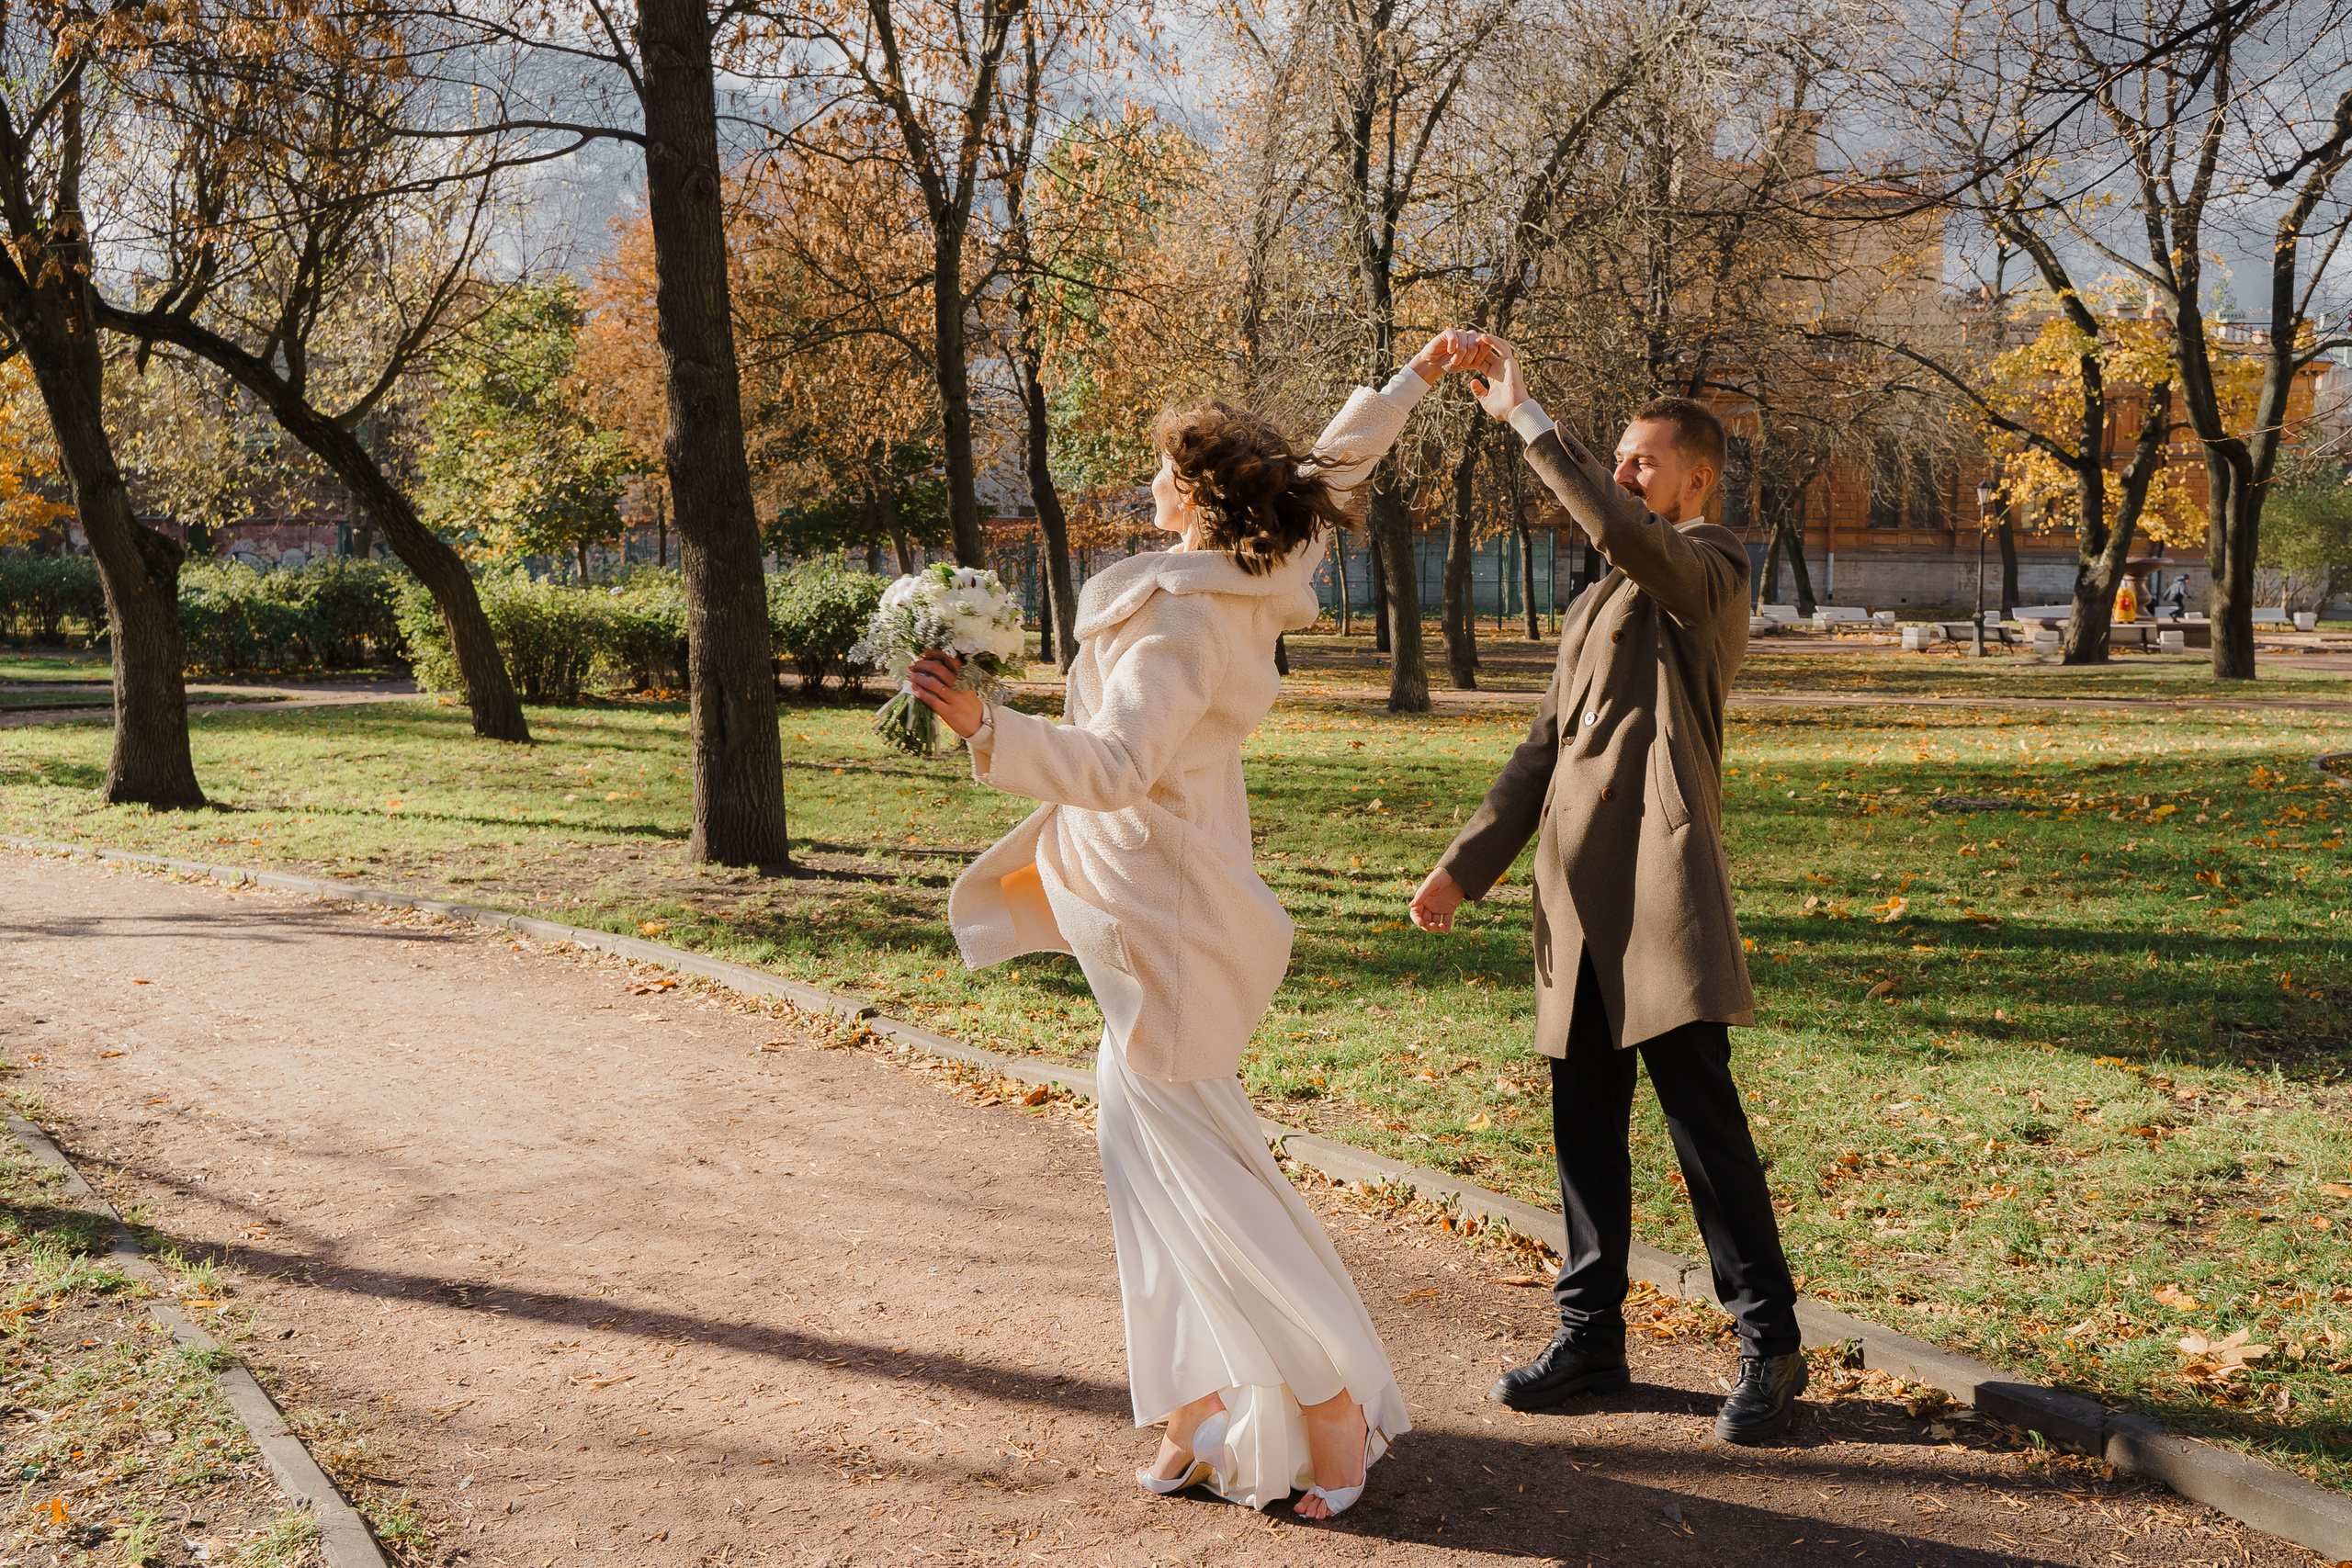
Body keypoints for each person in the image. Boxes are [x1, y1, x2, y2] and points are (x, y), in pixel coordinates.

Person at [904, 331, 1482, 1518]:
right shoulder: (1258, 567)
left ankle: (1328, 1412)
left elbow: (1114, 763)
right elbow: (1331, 467)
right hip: (1162, 902)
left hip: (1155, 921)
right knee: (1148, 1169)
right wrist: (1417, 376)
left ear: (1198, 496)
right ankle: (1186, 1417)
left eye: (1164, 470)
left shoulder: (1179, 620)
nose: (1149, 483)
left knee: (1200, 1176)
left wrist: (986, 728)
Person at [1407, 338, 1807, 1445]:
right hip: (1574, 895)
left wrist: (1537, 428)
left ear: (1696, 482)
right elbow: (1545, 745)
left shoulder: (1711, 570)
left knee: (1700, 1124)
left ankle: (1768, 1344)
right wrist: (1465, 862)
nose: (1625, 475)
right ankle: (1591, 1337)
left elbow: (1631, 538)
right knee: (1583, 1123)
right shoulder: (1594, 606)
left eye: (1643, 462)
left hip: (1661, 890)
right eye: (1618, 459)